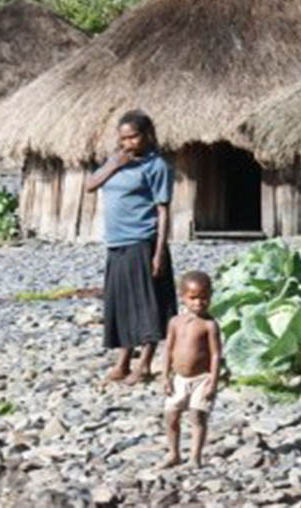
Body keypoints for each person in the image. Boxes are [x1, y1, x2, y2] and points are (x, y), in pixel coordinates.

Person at [86, 110, 177, 385]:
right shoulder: (114, 162)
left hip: (143, 240)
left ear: (147, 135)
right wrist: (114, 165)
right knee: (121, 303)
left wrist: (159, 252)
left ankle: (145, 364)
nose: (128, 142)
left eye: (134, 137)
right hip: (116, 241)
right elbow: (91, 185)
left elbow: (163, 210)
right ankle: (123, 361)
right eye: (123, 138)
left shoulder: (156, 166)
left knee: (148, 305)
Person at [160, 271, 222, 468]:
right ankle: (173, 453)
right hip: (179, 378)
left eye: (204, 298)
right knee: (171, 415)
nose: (198, 303)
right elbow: (168, 349)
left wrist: (213, 380)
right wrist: (165, 376)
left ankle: (195, 457)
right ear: (183, 297)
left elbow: (215, 354)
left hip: (202, 378)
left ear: (211, 296)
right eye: (193, 298)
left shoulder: (209, 325)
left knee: (197, 416)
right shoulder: (175, 322)